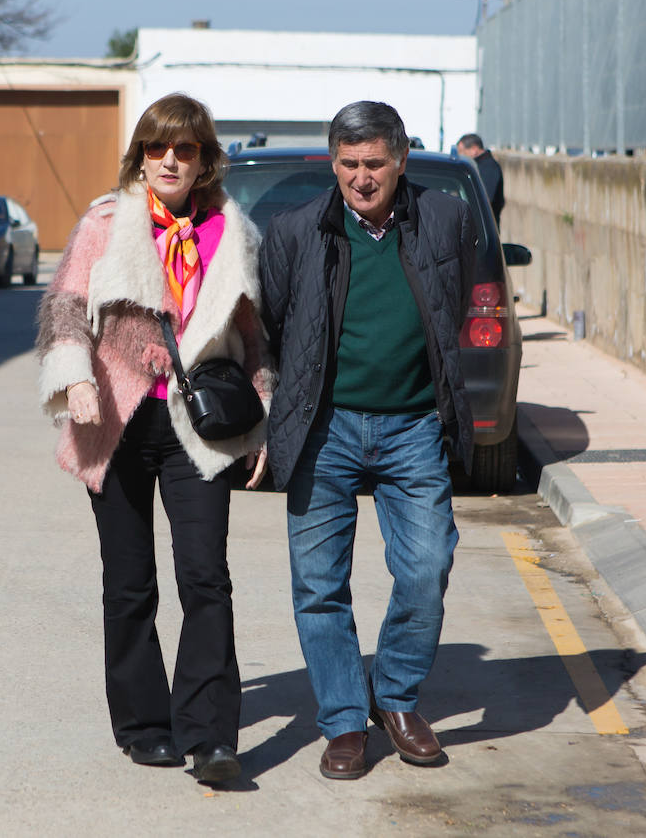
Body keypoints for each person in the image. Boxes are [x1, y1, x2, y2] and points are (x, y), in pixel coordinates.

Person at [36, 93, 274, 783]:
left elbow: (253, 337)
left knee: (205, 577)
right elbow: (63, 309)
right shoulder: (106, 222)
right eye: (156, 148)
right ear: (140, 156)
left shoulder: (233, 231)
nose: (169, 160)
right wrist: (75, 378)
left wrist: (258, 418)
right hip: (114, 415)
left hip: (196, 428)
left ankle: (210, 737)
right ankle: (143, 725)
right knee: (130, 581)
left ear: (204, 160)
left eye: (185, 149)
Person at [259, 100, 476, 780]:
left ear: (400, 160)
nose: (360, 176)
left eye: (374, 163)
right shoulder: (296, 231)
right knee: (319, 586)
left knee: (425, 567)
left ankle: (397, 698)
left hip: (413, 427)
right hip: (324, 429)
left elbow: (456, 303)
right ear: (333, 163)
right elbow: (270, 323)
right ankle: (345, 722)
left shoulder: (444, 217)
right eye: (348, 164)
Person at [456, 133, 505, 229]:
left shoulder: (489, 168)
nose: (460, 155)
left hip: (484, 228)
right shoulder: (475, 166)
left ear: (474, 149)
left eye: (462, 151)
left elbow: (485, 199)